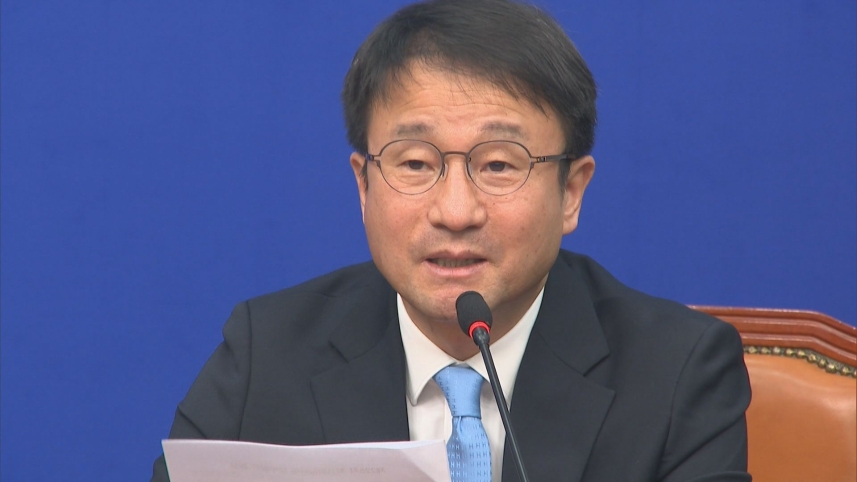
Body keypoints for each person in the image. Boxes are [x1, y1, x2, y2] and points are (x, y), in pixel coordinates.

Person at [151, 0, 752, 480]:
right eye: (415, 163)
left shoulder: (677, 372)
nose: (456, 211)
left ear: (571, 191)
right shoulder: (265, 356)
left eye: (499, 165)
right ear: (364, 185)